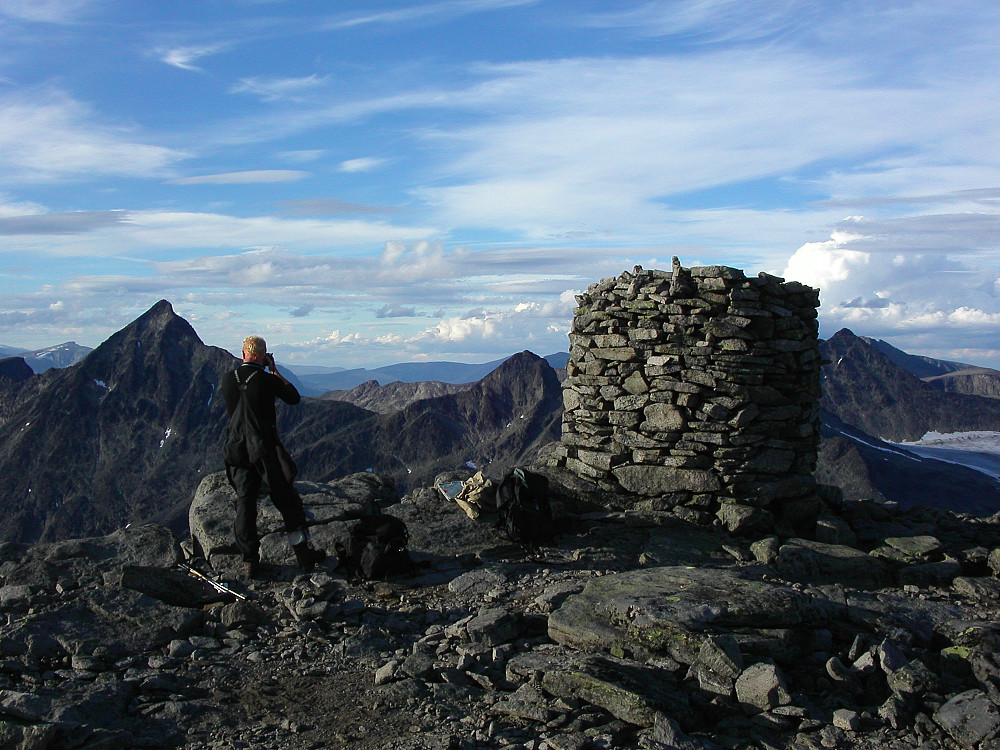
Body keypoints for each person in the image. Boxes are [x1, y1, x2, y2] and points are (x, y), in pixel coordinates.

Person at [220, 335, 325, 578]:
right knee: (287, 501)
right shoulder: (266, 380)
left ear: (243, 353)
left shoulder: (228, 379)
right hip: (264, 449)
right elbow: (293, 397)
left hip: (236, 448)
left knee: (245, 504)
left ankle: (249, 561)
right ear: (264, 355)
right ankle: (302, 554)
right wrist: (275, 370)